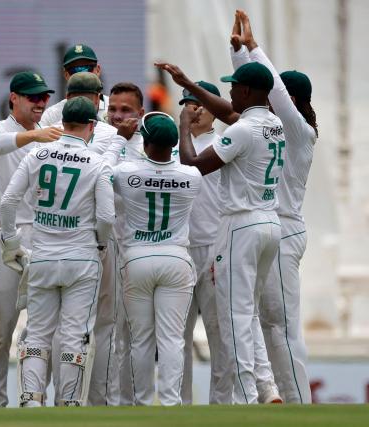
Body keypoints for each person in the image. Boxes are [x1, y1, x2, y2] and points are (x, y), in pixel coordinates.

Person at [157, 59, 284, 404]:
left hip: (237, 228)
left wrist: (182, 126)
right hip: (267, 221)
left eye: (233, 88)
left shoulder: (237, 132)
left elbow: (193, 166)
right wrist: (188, 85)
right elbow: (230, 110)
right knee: (247, 311)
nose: (229, 94)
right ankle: (267, 386)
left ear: (245, 91)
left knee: (233, 317)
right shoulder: (273, 123)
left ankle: (241, 396)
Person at [0, 96, 115, 407]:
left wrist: (11, 242)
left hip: (43, 255)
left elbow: (8, 202)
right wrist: (100, 243)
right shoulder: (98, 163)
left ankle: (30, 399)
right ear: (92, 126)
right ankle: (69, 403)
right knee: (75, 335)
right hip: (81, 257)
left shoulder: (37, 154)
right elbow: (106, 217)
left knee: (36, 333)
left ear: (62, 124)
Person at [230, 10, 316, 404]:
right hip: (272, 228)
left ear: (291, 100)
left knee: (281, 325)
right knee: (267, 323)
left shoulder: (299, 132)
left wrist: (253, 47)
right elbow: (253, 94)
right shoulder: (272, 127)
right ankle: (279, 398)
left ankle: (300, 405)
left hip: (284, 230)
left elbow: (271, 90)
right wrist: (239, 55)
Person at [45, 72, 129, 405]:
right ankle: (97, 401)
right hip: (97, 241)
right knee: (104, 324)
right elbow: (110, 190)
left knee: (55, 326)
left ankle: (56, 399)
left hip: (53, 238)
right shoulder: (110, 133)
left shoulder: (51, 134)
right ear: (98, 99)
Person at [0, 71, 62, 407]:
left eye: (44, 97)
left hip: (44, 235)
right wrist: (34, 137)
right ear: (14, 98)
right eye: (33, 97)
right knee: (0, 327)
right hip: (5, 236)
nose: (40, 103)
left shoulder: (51, 136)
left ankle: (36, 398)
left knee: (46, 329)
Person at [114, 112, 202, 405]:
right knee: (172, 339)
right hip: (176, 257)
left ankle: (142, 402)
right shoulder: (191, 176)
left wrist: (121, 139)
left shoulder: (127, 172)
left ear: (146, 141)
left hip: (137, 257)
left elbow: (103, 171)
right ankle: (170, 403)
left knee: (140, 340)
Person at [175, 81, 231, 405]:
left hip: (215, 247)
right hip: (180, 250)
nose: (193, 111)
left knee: (218, 334)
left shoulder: (225, 144)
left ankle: (221, 405)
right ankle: (179, 405)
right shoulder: (170, 148)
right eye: (187, 104)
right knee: (177, 338)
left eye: (199, 104)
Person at [106, 82, 145, 405]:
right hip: (106, 249)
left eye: (126, 110)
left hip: (140, 251)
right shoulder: (99, 143)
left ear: (141, 114)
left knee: (138, 335)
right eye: (113, 109)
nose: (117, 116)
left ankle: (136, 404)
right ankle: (111, 402)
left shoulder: (154, 145)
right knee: (110, 332)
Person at [40, 43, 109, 126]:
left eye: (86, 68)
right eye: (74, 70)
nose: (81, 74)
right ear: (66, 75)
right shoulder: (52, 115)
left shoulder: (114, 109)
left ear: (97, 70)